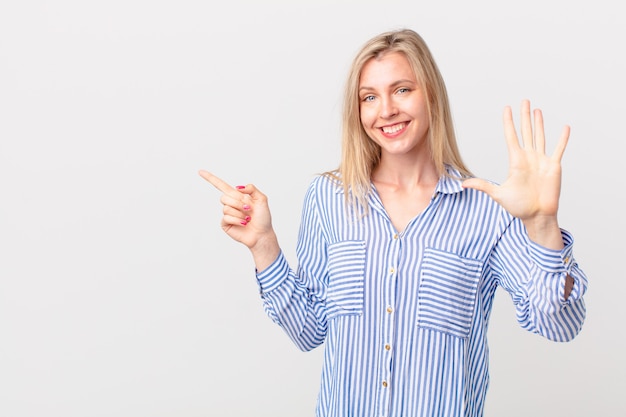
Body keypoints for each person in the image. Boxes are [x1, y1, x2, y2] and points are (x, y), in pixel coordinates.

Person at [199, 28, 587, 417]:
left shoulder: (488, 211)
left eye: (402, 90)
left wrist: (542, 225)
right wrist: (264, 245)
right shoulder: (328, 199)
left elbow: (560, 325)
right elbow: (309, 330)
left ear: (431, 94)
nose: (386, 110)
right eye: (369, 97)